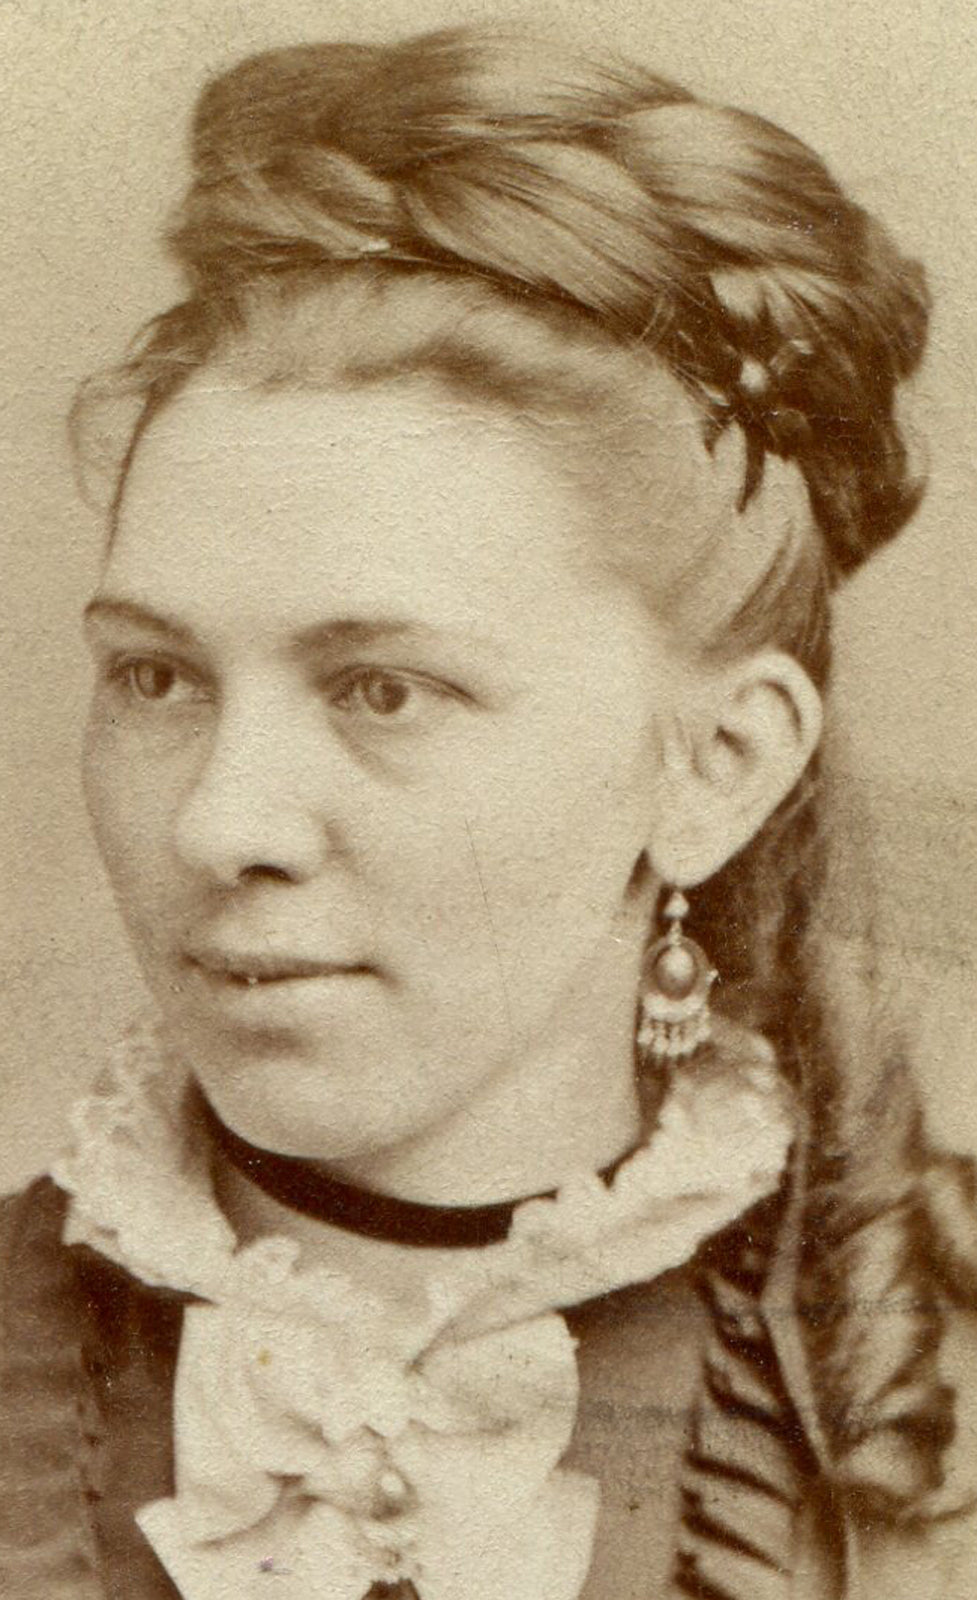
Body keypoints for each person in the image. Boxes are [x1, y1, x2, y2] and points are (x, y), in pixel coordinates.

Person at [1, 22, 974, 1600]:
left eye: (383, 689)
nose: (216, 824)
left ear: (716, 765)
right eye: (157, 679)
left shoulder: (936, 1425)